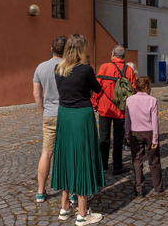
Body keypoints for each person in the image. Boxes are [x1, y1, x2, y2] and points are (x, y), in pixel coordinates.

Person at [52, 34, 104, 225]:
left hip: (64, 115)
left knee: (65, 158)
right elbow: (97, 90)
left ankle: (64, 208)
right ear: (82, 49)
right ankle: (82, 213)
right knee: (83, 159)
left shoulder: (58, 69)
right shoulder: (85, 69)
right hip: (81, 116)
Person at [32, 35, 67, 203]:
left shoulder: (41, 67)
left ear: (51, 49)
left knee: (46, 153)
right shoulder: (69, 67)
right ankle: (72, 192)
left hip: (50, 114)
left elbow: (36, 93)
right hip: (67, 113)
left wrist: (42, 110)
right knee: (67, 153)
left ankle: (40, 191)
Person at [93, 45, 137, 175]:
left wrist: (95, 103)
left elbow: (97, 87)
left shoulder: (104, 67)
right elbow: (133, 90)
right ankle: (117, 166)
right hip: (121, 109)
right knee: (118, 139)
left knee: (104, 137)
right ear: (123, 56)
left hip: (105, 108)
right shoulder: (128, 70)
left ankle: (103, 164)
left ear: (112, 54)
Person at [125, 76, 162, 197]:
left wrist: (127, 134)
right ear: (146, 87)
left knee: (137, 160)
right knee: (154, 160)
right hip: (149, 132)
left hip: (135, 132)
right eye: (150, 86)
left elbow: (127, 120)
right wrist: (155, 138)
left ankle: (139, 188)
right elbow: (154, 121)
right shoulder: (152, 100)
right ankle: (158, 186)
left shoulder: (129, 100)